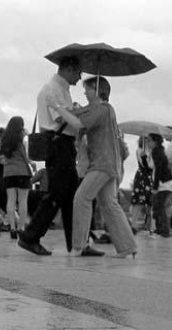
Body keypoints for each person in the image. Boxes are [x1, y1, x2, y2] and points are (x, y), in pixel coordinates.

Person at [51, 76, 137, 257]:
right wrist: (71, 110)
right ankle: (127, 248)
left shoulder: (102, 109)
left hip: (102, 163)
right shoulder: (102, 109)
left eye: (87, 89)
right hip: (108, 164)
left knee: (81, 198)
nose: (84, 92)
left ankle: (78, 246)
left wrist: (57, 106)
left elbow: (78, 123)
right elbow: (80, 115)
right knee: (109, 204)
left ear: (97, 90)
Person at [18, 56, 82, 256]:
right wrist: (77, 112)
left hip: (62, 144)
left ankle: (76, 243)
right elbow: (60, 117)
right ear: (69, 69)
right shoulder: (54, 88)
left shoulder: (59, 88)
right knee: (57, 193)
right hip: (59, 143)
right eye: (79, 72)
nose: (80, 77)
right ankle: (31, 236)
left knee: (69, 194)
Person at [0, 116, 33, 238]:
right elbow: (26, 157)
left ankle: (12, 229)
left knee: (11, 201)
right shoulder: (23, 139)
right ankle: (21, 228)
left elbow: (2, 159)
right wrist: (32, 164)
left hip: (8, 173)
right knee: (23, 200)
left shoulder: (5, 140)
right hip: (22, 171)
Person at [147, 133, 172, 238]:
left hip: (164, 183)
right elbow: (152, 167)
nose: (147, 143)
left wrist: (155, 187)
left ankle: (164, 232)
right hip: (164, 182)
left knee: (160, 207)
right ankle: (160, 230)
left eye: (149, 140)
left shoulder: (157, 152)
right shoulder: (157, 151)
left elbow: (159, 170)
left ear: (156, 141)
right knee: (158, 206)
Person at [129, 136, 152, 232]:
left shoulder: (152, 151)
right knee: (138, 201)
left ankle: (150, 225)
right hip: (142, 177)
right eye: (145, 138)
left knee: (150, 201)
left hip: (150, 177)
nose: (147, 140)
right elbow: (144, 165)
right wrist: (144, 156)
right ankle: (133, 224)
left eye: (148, 139)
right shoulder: (139, 150)